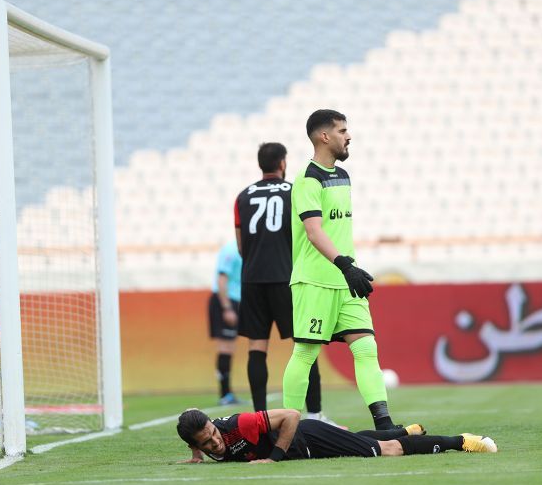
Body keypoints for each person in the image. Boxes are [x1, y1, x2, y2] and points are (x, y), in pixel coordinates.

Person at [282, 109, 395, 430]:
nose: (349, 136)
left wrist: (349, 269)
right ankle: (288, 427)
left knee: (366, 347)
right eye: (342, 131)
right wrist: (345, 264)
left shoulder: (342, 176)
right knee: (305, 353)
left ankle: (385, 425)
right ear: (324, 136)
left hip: (347, 281)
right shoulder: (308, 178)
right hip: (315, 281)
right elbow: (314, 231)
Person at [234, 142, 336, 424]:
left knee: (257, 346)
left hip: (252, 279)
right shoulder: (293, 191)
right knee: (305, 346)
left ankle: (259, 417)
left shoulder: (242, 197)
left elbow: (241, 245)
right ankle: (314, 414)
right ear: (282, 163)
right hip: (286, 279)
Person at [176, 408, 497, 463]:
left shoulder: (241, 424)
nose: (215, 443)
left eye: (214, 434)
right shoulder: (201, 438)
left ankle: (461, 441)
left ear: (215, 425)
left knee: (387, 450)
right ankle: (405, 431)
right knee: (360, 440)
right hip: (309, 445)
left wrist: (274, 459)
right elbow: (193, 417)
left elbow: (292, 416)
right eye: (206, 443)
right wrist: (196, 456)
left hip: (308, 438)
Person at [208, 239, 243, 405]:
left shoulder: (244, 248)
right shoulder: (231, 250)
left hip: (234, 301)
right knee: (225, 347)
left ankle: (227, 393)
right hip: (225, 301)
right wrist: (227, 307)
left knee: (230, 347)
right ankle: (225, 394)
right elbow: (221, 279)